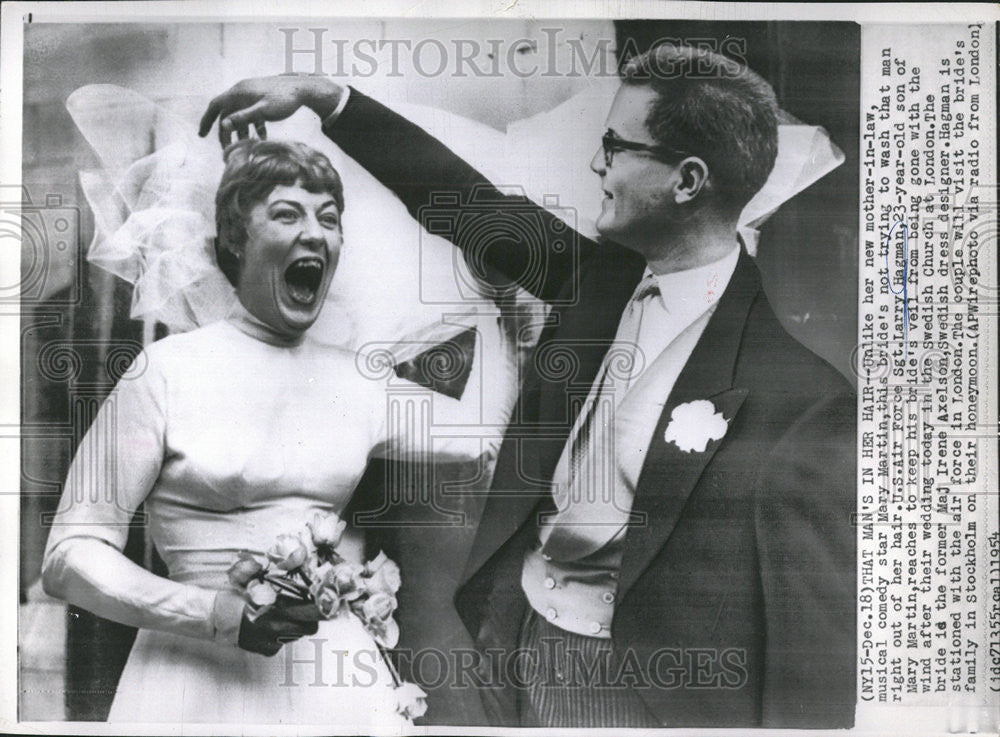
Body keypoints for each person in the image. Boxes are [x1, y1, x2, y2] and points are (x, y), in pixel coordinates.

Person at [200, 43, 856, 729]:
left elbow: (811, 673)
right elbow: (462, 202)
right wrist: (329, 98)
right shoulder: (599, 279)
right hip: (512, 648)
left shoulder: (805, 404)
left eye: (616, 147)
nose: (597, 166)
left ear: (687, 181)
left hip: (642, 698)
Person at [41, 138, 499, 725]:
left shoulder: (360, 381)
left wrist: (508, 301)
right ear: (235, 240)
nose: (315, 232)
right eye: (287, 214)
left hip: (334, 683)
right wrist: (215, 613)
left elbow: (487, 442)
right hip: (193, 681)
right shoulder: (166, 371)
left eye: (329, 218)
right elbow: (69, 557)